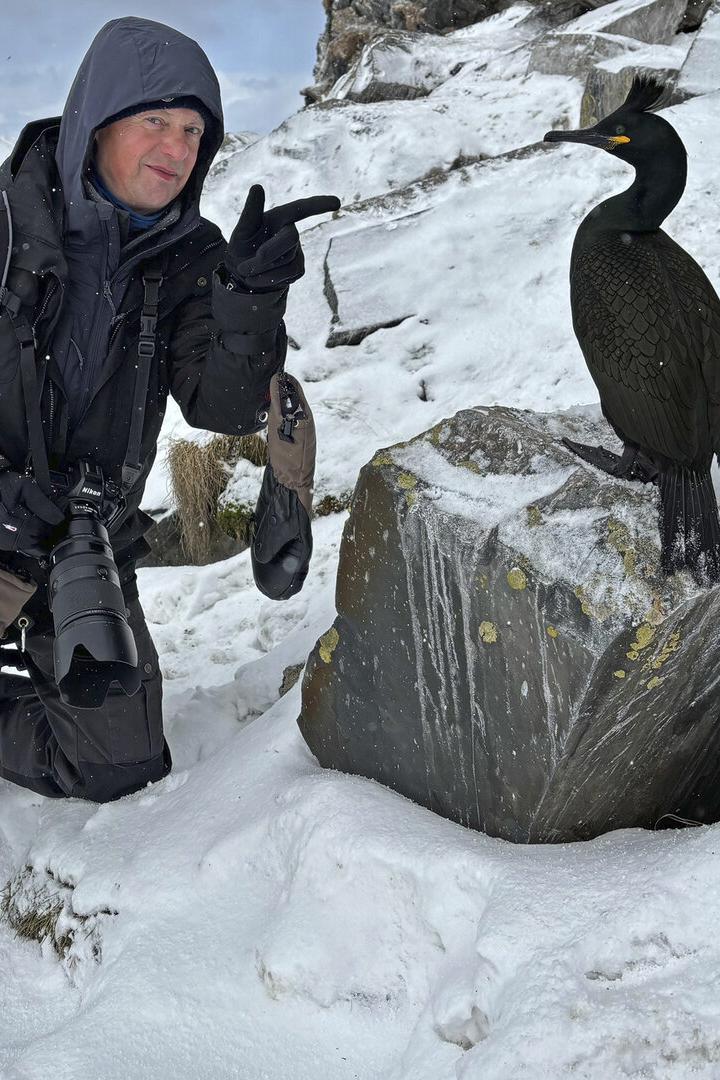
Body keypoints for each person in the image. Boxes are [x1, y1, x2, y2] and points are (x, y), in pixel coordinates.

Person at [0, 17, 339, 802]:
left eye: (193, 129)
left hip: (86, 546)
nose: (177, 148)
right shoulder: (9, 226)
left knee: (119, 770)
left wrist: (249, 299)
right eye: (154, 119)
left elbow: (221, 406)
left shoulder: (194, 255)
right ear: (98, 120)